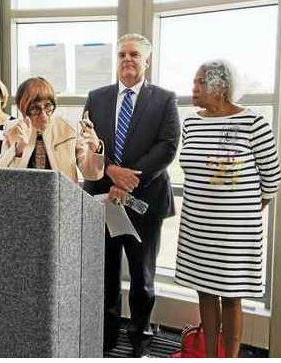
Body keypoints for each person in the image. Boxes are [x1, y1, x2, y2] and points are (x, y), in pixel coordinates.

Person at [174, 60, 281, 358]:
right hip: (197, 226)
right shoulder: (192, 123)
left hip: (236, 230)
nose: (192, 89)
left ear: (220, 88)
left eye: (199, 84)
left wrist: (242, 212)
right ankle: (210, 354)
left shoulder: (254, 123)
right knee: (205, 293)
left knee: (232, 297)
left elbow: (272, 178)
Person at [83, 33, 180, 357]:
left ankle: (140, 334)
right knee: (106, 275)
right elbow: (86, 144)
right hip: (103, 199)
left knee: (143, 278)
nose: (127, 60)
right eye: (123, 54)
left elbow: (167, 146)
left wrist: (128, 180)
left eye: (134, 55)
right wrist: (110, 171)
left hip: (145, 203)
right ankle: (107, 335)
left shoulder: (165, 99)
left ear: (146, 60)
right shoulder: (96, 98)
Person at [0, 76, 104, 183]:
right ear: (23, 109)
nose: (44, 116)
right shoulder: (13, 130)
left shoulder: (68, 128)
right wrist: (18, 149)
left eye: (48, 106)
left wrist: (96, 149)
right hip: (23, 198)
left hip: (60, 199)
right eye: (35, 109)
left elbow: (92, 174)